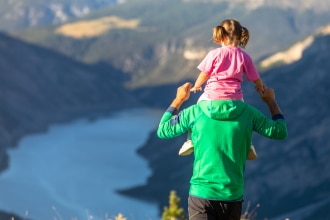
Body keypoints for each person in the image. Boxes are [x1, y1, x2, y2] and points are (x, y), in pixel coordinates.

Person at [157, 82, 288, 220]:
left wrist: (179, 99)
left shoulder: (196, 111)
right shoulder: (248, 113)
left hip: (201, 195)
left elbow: (163, 129)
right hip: (232, 197)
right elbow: (280, 131)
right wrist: (271, 101)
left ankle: (191, 139)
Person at [178, 19, 264, 160]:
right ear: (241, 35)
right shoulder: (245, 57)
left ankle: (190, 140)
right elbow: (255, 77)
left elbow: (205, 72)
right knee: (243, 117)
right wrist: (261, 87)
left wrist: (197, 85)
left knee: (196, 109)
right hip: (236, 98)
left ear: (221, 35)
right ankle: (248, 144)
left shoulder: (214, 54)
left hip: (212, 96)